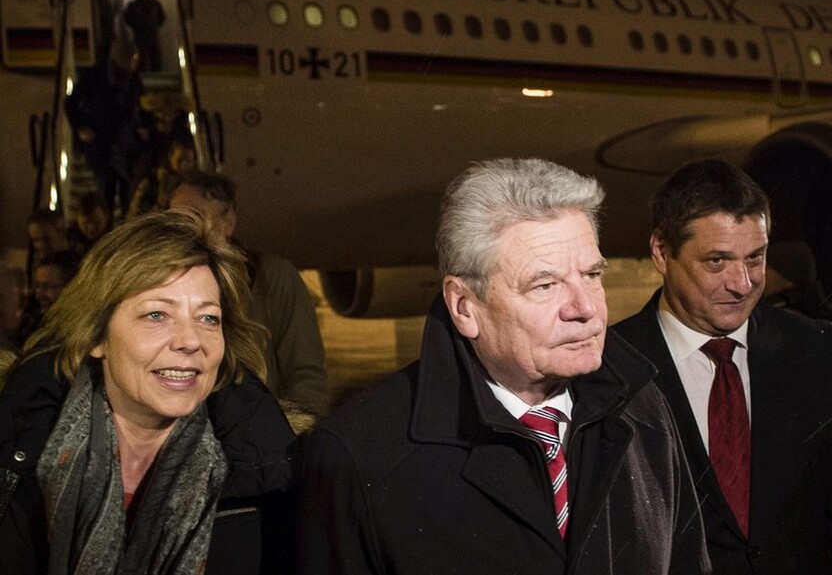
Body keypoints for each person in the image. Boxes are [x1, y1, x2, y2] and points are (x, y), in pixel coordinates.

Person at [297, 158, 709, 573]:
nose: (586, 309)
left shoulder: (642, 406)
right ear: (464, 307)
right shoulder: (358, 455)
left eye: (591, 275)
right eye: (545, 285)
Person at [612, 159, 832, 574]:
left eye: (755, 258)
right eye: (716, 262)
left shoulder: (814, 351)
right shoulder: (610, 365)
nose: (743, 284)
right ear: (662, 252)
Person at [0, 210, 298, 573]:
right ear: (96, 336)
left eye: (208, 318)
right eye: (157, 315)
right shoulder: (19, 449)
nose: (191, 341)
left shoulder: (269, 474)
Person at [169, 171, 328, 416]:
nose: (183, 229)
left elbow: (307, 377)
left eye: (196, 216)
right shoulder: (164, 283)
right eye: (175, 218)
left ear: (228, 222)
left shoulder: (272, 277)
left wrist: (292, 440)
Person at [764, 240, 832, 386]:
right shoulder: (828, 320)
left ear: (786, 277)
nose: (760, 274)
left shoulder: (783, 323)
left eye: (768, 268)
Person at [65, 36, 143, 215]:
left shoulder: (133, 80)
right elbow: (70, 103)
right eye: (131, 58)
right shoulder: (94, 76)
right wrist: (80, 127)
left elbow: (139, 105)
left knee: (127, 195)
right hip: (101, 144)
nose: (133, 63)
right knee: (104, 194)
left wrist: (141, 126)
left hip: (125, 146)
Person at [17, 250, 81, 346]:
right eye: (37, 286)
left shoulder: (80, 334)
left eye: (47, 286)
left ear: (71, 287)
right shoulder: (34, 325)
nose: (39, 295)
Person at [128, 136, 196, 219]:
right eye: (180, 160)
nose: (184, 165)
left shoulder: (193, 184)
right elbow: (134, 213)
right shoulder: (153, 181)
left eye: (188, 161)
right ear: (170, 156)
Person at [124, 0, 166, 72]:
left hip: (151, 34)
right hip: (140, 35)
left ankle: (156, 75)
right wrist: (137, 26)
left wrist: (153, 26)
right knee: (141, 59)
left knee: (155, 58)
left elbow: (161, 17)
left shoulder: (154, 3)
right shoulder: (134, 4)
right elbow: (127, 18)